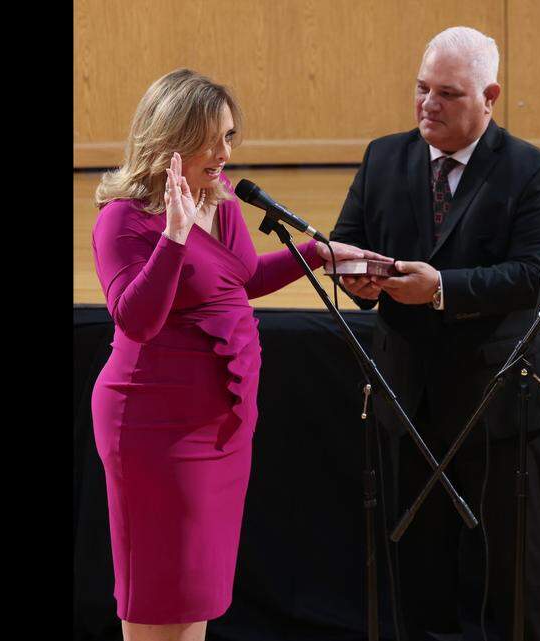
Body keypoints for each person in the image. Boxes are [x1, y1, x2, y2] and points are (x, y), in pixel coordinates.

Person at [90, 68, 370, 641]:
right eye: (211, 138)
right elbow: (136, 319)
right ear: (171, 138)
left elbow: (236, 280)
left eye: (230, 136)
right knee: (157, 592)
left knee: (195, 591)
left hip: (220, 423)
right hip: (153, 425)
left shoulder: (222, 204)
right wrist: (173, 235)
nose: (224, 152)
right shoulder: (123, 219)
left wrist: (314, 253)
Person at [329, 26, 540, 641]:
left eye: (448, 93)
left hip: (500, 401)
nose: (427, 105)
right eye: (420, 88)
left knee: (518, 572)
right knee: (416, 563)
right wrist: (356, 276)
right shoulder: (384, 156)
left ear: (489, 97)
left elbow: (537, 277)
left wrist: (443, 288)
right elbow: (347, 241)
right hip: (408, 392)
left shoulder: (534, 171)